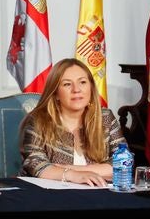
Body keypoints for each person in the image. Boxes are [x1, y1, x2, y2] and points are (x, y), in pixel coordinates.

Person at [19, 57, 126, 186]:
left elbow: (123, 162)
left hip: (95, 193)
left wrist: (76, 170)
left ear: (91, 88)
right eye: (67, 84)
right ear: (56, 93)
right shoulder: (38, 120)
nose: (76, 89)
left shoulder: (105, 117)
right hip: (47, 196)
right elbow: (36, 165)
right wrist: (73, 175)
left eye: (82, 82)